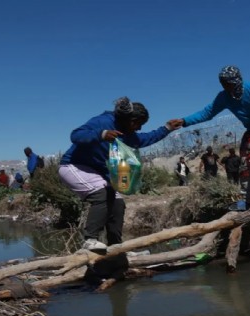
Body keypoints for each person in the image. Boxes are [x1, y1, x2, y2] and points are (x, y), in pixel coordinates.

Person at [58, 96, 183, 251]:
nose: (139, 129)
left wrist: (167, 128)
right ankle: (90, 239)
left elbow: (145, 138)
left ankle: (116, 249)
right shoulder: (103, 121)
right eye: (138, 124)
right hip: (74, 167)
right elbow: (76, 135)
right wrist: (101, 134)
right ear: (130, 120)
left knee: (118, 204)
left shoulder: (126, 134)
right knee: (101, 195)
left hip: (96, 172)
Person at [174, 65, 250, 210]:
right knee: (245, 163)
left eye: (228, 82)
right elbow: (207, 113)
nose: (225, 86)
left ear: (237, 80)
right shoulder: (224, 97)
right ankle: (246, 200)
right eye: (222, 83)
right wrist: (184, 121)